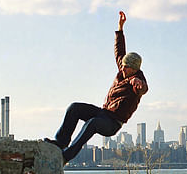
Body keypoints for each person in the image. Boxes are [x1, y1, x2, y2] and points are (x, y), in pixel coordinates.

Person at [45, 11, 148, 163]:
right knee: (74, 108)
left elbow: (143, 88)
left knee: (91, 123)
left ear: (134, 69)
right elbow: (119, 52)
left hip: (113, 123)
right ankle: (60, 143)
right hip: (103, 113)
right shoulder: (123, 70)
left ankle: (66, 156)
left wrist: (139, 85)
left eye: (126, 67)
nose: (123, 69)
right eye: (123, 66)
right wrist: (120, 28)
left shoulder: (137, 80)